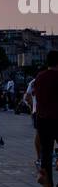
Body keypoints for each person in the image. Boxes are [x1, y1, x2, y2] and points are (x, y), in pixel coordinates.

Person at [33, 51, 58, 179]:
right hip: (56, 118)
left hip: (43, 119)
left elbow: (36, 96)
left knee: (46, 154)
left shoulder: (39, 77)